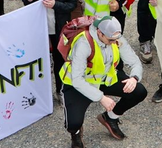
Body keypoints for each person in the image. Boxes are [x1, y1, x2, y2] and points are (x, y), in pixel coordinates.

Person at [60, 15, 147, 146]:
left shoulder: (115, 37)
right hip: (81, 84)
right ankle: (76, 134)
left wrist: (134, 78)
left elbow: (134, 62)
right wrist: (101, 98)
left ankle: (110, 117)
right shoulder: (83, 44)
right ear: (100, 33)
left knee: (139, 91)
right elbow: (77, 80)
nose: (114, 42)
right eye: (111, 40)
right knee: (73, 122)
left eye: (116, 39)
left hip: (105, 79)